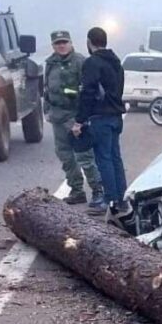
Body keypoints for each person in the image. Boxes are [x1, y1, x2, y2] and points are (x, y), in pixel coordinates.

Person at [43, 30, 104, 207]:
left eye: (64, 42)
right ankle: (76, 190)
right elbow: (47, 88)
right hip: (57, 116)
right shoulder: (50, 63)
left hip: (75, 116)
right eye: (58, 43)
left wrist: (83, 118)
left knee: (85, 156)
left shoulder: (80, 62)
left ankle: (98, 190)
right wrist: (46, 109)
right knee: (65, 155)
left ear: (70, 43)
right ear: (53, 45)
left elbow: (90, 90)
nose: (61, 46)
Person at [73, 27, 127, 213]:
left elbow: (88, 92)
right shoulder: (116, 63)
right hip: (116, 116)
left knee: (103, 159)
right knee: (115, 158)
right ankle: (121, 199)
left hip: (100, 117)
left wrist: (79, 121)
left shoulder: (92, 63)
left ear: (89, 42)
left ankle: (109, 200)